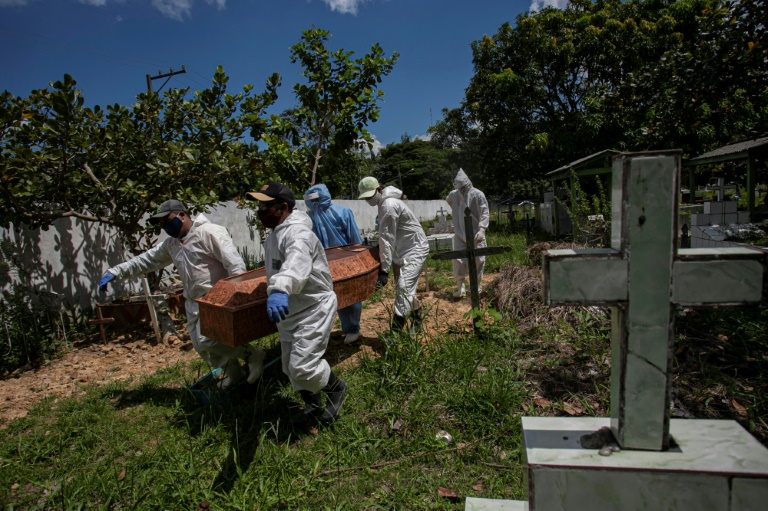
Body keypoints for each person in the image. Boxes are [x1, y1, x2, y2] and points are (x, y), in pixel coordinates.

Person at [98, 200, 265, 389]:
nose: (165, 226)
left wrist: (235, 295)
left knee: (209, 341)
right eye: (161, 224)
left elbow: (234, 264)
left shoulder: (208, 232)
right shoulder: (172, 244)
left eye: (167, 220)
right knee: (202, 347)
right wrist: (116, 272)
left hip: (218, 299)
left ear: (182, 215)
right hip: (194, 302)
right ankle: (234, 373)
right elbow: (147, 260)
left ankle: (252, 354)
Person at [247, 182, 348, 425]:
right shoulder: (275, 236)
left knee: (303, 365)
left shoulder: (299, 234)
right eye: (259, 205)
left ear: (283, 207)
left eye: (265, 206)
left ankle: (336, 389)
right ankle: (313, 404)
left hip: (313, 307)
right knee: (289, 366)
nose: (260, 211)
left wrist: (281, 289)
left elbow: (295, 263)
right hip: (291, 309)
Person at [357, 176, 429, 332]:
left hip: (414, 249)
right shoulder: (383, 203)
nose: (369, 199)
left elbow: (387, 237)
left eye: (370, 195)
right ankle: (417, 318)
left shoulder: (389, 205)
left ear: (379, 190)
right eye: (366, 197)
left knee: (403, 288)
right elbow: (387, 235)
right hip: (401, 250)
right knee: (405, 289)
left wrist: (384, 269)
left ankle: (395, 334)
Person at [304, 184, 363, 344]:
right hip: (322, 264)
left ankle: (352, 328)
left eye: (317, 198)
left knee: (351, 294)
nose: (315, 202)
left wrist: (357, 259)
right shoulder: (308, 218)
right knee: (327, 296)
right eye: (312, 199)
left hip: (345, 261)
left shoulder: (343, 213)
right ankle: (324, 331)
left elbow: (355, 240)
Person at [446, 169, 490, 298]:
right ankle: (461, 287)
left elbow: (485, 212)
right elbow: (448, 200)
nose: (462, 191)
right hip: (460, 233)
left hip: (476, 232)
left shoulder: (478, 194)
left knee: (479, 259)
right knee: (458, 260)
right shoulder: (453, 195)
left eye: (463, 188)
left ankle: (477, 285)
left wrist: (482, 229)